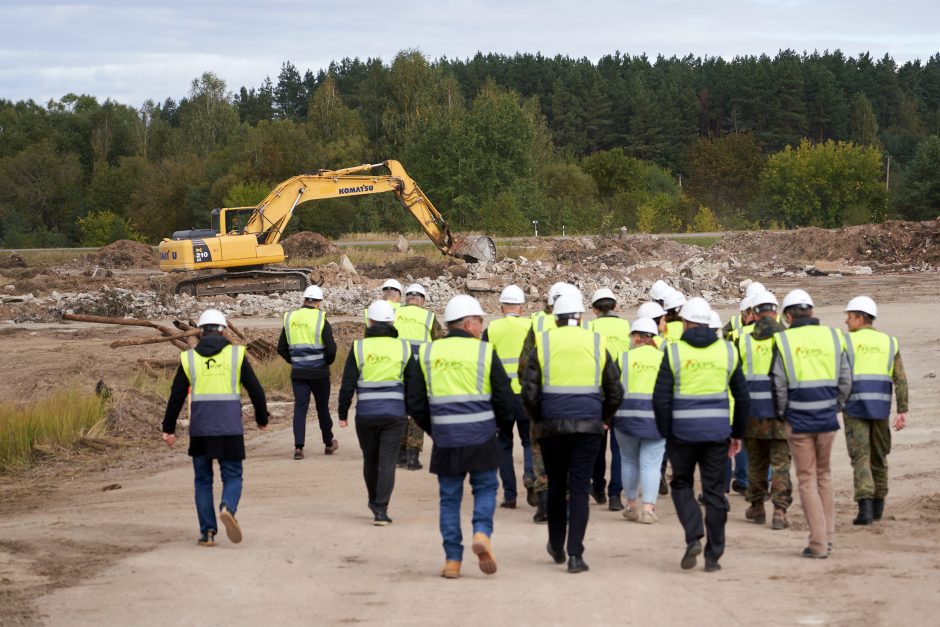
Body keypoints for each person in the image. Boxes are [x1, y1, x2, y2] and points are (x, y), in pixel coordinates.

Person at [408, 295, 516, 579]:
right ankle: (481, 532)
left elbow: (415, 401)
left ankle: (452, 561)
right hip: (481, 436)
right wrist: (502, 429)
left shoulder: (428, 353)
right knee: (485, 489)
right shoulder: (484, 352)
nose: (482, 327)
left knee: (449, 499)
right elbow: (504, 398)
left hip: (446, 440)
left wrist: (435, 428)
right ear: (468, 324)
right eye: (480, 321)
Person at [521, 290, 623, 573]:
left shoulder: (542, 342)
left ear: (555, 318)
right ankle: (575, 554)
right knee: (579, 490)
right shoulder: (596, 341)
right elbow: (615, 390)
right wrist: (603, 418)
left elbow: (529, 392)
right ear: (580, 317)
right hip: (588, 428)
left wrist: (539, 420)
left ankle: (556, 544)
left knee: (556, 487)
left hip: (551, 427)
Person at [653, 297, 749, 573]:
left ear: (685, 323)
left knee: (681, 484)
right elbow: (742, 398)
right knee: (715, 492)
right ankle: (713, 556)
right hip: (718, 433)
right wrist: (737, 433)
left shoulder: (673, 353)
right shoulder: (728, 352)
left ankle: (694, 534)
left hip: (682, 433)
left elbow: (660, 399)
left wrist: (665, 432)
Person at [162, 309, 270, 547]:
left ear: (200, 331)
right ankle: (227, 507)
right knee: (232, 475)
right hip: (230, 427)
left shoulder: (189, 358)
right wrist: (262, 418)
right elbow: (256, 390)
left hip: (200, 429)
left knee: (203, 480)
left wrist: (168, 428)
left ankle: (207, 533)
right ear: (223, 330)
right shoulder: (236, 356)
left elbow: (177, 395)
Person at [771, 289, 851, 558]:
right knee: (824, 477)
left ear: (788, 316)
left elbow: (779, 385)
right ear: (813, 312)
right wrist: (835, 406)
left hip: (798, 419)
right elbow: (846, 379)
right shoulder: (834, 336)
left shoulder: (783, 341)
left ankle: (817, 543)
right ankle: (828, 538)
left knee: (806, 479)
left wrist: (784, 414)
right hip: (827, 418)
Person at [338, 301, 418, 526]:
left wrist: (342, 412)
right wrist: (411, 411)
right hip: (395, 416)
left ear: (370, 322)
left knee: (370, 460)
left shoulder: (359, 348)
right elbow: (413, 384)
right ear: (392, 322)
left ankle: (373, 499)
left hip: (366, 415)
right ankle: (381, 509)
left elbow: (347, 384)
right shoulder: (403, 348)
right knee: (388, 462)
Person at [842, 296, 909, 525]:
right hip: (881, 409)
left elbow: (840, 377)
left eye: (849, 317)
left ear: (860, 318)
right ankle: (879, 505)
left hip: (854, 408)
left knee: (860, 457)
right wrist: (902, 410)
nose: (845, 321)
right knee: (879, 456)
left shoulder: (846, 342)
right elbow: (900, 379)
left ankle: (865, 509)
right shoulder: (889, 342)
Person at [518, 282, 579, 523]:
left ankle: (544, 504)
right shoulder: (587, 332)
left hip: (544, 402)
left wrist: (531, 398)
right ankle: (568, 500)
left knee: (540, 451)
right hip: (577, 402)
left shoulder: (537, 324)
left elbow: (524, 366)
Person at [739, 291, 791, 530]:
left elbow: (734, 376)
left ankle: (757, 506)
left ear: (754, 313)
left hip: (752, 413)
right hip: (781, 413)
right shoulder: (788, 338)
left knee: (756, 463)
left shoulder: (742, 338)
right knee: (780, 464)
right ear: (776, 310)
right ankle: (779, 511)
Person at [482, 284, 535, 509]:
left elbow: (483, 362)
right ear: (522, 307)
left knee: (503, 444)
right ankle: (531, 477)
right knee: (529, 441)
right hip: (526, 394)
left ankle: (510, 495)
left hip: (501, 397)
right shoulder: (532, 326)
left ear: (502, 307)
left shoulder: (492, 329)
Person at [613, 317, 666, 524]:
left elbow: (612, 388)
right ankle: (648, 509)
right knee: (651, 464)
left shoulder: (623, 358)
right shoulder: (664, 358)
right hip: (655, 420)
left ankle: (631, 506)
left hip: (626, 418)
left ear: (636, 337)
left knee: (628, 460)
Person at [277, 285, 338, 459]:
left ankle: (298, 448)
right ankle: (328, 442)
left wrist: (294, 360)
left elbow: (281, 348)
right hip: (319, 372)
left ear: (304, 300)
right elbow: (331, 348)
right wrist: (326, 362)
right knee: (322, 409)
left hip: (299, 373)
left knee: (300, 409)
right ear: (319, 302)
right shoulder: (321, 319)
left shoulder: (290, 318)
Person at [394, 283, 444, 471]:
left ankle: (399, 454)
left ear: (407, 299)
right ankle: (412, 457)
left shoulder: (394, 314)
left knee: (399, 410)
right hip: (420, 371)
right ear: (422, 300)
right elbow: (438, 345)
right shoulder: (429, 317)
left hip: (397, 369)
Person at [588, 288, 630, 511]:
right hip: (621, 391)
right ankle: (615, 494)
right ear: (616, 307)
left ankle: (598, 487)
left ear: (594, 309)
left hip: (598, 393)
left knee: (597, 443)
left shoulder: (590, 327)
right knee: (618, 447)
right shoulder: (626, 327)